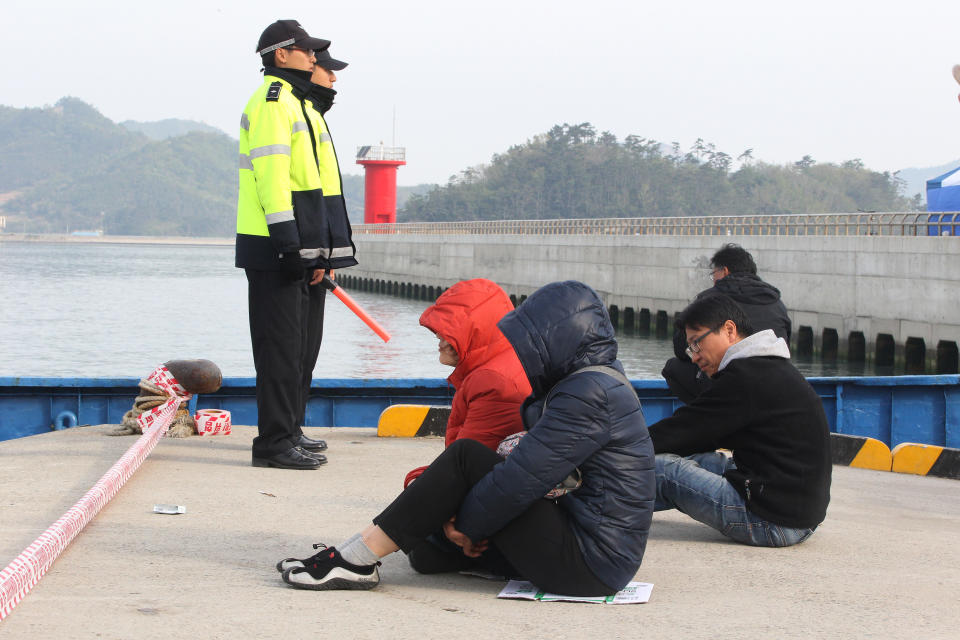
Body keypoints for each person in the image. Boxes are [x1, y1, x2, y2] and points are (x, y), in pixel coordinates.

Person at [276, 281, 656, 595]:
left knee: (467, 457)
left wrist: (464, 527)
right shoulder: (589, 382)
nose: (524, 351)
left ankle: (355, 560)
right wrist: (451, 528)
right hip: (586, 542)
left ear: (556, 339)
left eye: (531, 340)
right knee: (426, 551)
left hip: (592, 562)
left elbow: (518, 481)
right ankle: (353, 552)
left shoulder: (588, 393)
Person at [237, 20, 357, 470]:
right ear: (281, 54)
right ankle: (273, 443)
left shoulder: (300, 105)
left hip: (300, 248)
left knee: (301, 347)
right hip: (275, 247)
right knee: (280, 349)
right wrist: (289, 246)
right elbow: (272, 181)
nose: (315, 58)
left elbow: (317, 190)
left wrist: (321, 253)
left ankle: (289, 431)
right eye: (307, 51)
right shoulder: (273, 103)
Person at [648, 294, 831, 547]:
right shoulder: (768, 366)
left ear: (729, 330)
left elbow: (685, 430)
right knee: (699, 462)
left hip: (773, 522)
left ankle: (592, 508)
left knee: (663, 470)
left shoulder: (746, 377)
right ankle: (612, 507)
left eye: (697, 343)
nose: (694, 357)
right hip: (797, 513)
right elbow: (696, 432)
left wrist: (616, 449)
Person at [402, 278, 531, 575]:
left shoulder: (493, 383)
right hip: (506, 493)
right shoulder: (502, 366)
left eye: (448, 333)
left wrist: (436, 505)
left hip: (500, 508)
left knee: (417, 538)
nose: (440, 340)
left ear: (476, 334)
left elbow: (465, 464)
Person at [662, 243, 791, 404]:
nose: (713, 279)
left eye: (714, 273)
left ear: (724, 271)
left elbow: (681, 348)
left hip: (726, 383)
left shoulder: (710, 299)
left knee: (672, 367)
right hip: (774, 382)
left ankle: (706, 411)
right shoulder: (776, 302)